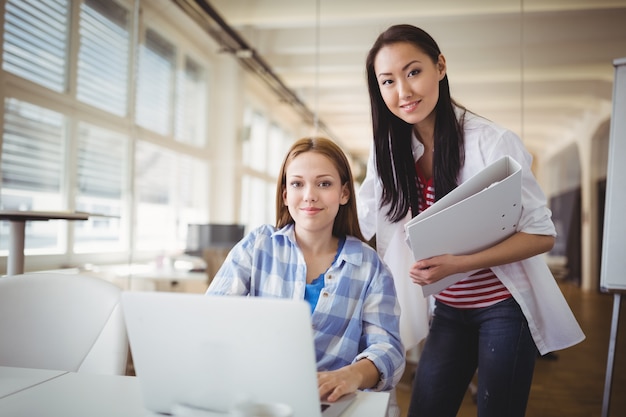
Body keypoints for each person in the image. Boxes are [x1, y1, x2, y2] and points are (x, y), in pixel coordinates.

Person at [358, 24, 585, 417]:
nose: (403, 91)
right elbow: (360, 225)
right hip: (447, 309)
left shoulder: (491, 142)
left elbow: (541, 234)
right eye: (388, 81)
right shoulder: (388, 156)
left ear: (440, 67)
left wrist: (458, 264)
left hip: (504, 307)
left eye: (414, 72)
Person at [206, 137, 405, 416]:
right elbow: (211, 318)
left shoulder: (370, 266)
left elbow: (388, 350)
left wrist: (352, 375)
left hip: (332, 403)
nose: (309, 195)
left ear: (344, 193)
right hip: (262, 397)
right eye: (298, 183)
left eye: (324, 183)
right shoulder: (258, 246)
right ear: (286, 195)